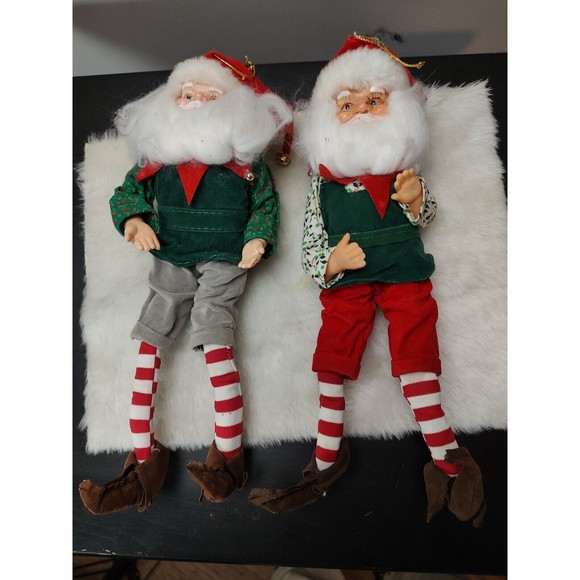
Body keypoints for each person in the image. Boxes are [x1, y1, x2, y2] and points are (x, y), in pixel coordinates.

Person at [249, 34, 485, 526]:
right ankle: (326, 455)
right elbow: (311, 244)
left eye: (374, 101)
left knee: (416, 351)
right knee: (334, 355)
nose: (360, 111)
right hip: (349, 281)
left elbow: (426, 216)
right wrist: (332, 262)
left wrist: (417, 199)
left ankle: (448, 456)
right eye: (347, 104)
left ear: (398, 109)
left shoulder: (403, 167)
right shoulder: (322, 183)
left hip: (404, 274)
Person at [78, 51, 293, 515]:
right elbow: (127, 192)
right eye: (187, 95)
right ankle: (142, 460)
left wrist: (258, 238)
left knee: (216, 336)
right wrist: (134, 219)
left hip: (227, 258)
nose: (195, 102)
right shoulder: (158, 158)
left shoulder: (245, 162)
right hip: (170, 255)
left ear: (234, 108)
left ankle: (229, 457)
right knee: (150, 339)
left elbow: (266, 203)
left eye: (209, 96)